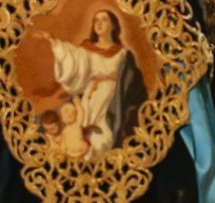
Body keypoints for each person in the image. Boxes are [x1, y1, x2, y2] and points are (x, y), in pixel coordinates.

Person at [47, 9, 148, 158]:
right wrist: (54, 43)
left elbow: (131, 81)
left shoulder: (122, 53)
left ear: (113, 25)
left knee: (104, 137)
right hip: (90, 97)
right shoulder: (87, 50)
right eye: (96, 20)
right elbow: (70, 57)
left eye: (104, 20)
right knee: (81, 131)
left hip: (112, 98)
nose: (99, 24)